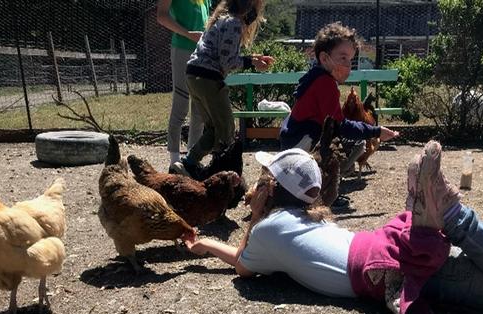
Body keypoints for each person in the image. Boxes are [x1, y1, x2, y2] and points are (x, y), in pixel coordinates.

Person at [184, 144, 483, 314]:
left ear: (272, 190)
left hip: (384, 269)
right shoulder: (314, 218)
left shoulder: (267, 232)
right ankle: (453, 219)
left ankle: (456, 216)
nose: (255, 189)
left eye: (262, 182)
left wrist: (246, 223)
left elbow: (244, 267)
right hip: (382, 244)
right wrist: (209, 240)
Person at [279, 22, 399, 207]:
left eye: (350, 59)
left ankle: (312, 187)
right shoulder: (325, 83)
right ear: (325, 58)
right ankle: (320, 191)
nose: (347, 64)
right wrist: (375, 131)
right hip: (300, 144)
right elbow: (340, 126)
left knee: (341, 140)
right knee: (356, 144)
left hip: (293, 138)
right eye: (342, 57)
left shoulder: (316, 76)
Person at [169, 0, 274, 180]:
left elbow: (223, 53)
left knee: (213, 129)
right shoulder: (234, 24)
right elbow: (228, 62)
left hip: (195, 75)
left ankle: (191, 164)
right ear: (248, 10)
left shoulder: (221, 20)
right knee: (226, 129)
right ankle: (214, 169)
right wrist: (252, 63)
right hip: (209, 78)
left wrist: (252, 58)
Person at [157, 0, 210, 166]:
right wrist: (188, 34)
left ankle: (192, 160)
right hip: (182, 48)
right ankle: (174, 160)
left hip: (202, 51)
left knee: (199, 107)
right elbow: (161, 16)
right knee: (180, 103)